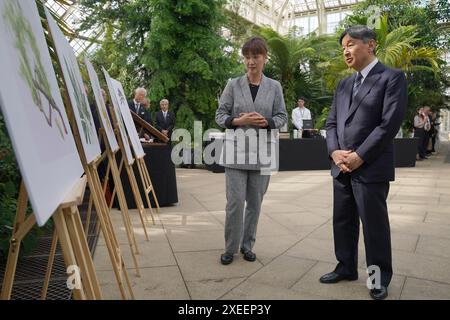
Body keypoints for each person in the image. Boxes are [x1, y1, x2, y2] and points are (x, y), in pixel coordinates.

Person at [323, 25, 407, 300]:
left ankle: (377, 279)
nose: (345, 51)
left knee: (373, 226)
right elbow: (332, 122)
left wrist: (360, 156)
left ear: (370, 45)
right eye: (342, 47)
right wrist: (335, 152)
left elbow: (388, 124)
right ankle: (346, 267)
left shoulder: (391, 78)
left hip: (370, 166)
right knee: (343, 221)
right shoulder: (344, 84)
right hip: (342, 166)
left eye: (350, 44)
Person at [215, 37, 287, 265]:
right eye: (246, 57)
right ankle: (230, 248)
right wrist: (239, 120)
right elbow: (219, 115)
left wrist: (266, 122)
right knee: (235, 203)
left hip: (263, 154)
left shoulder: (274, 87)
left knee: (255, 205)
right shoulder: (233, 84)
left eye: (255, 56)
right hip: (235, 153)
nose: (250, 61)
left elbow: (282, 117)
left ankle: (248, 246)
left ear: (265, 57)